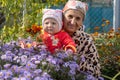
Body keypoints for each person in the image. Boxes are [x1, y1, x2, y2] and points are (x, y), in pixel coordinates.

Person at [62, 0, 102, 79]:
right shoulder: (51, 34)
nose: (73, 22)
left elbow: (96, 71)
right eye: (70, 16)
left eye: (78, 19)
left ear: (82, 22)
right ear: (63, 16)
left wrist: (76, 61)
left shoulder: (86, 40)